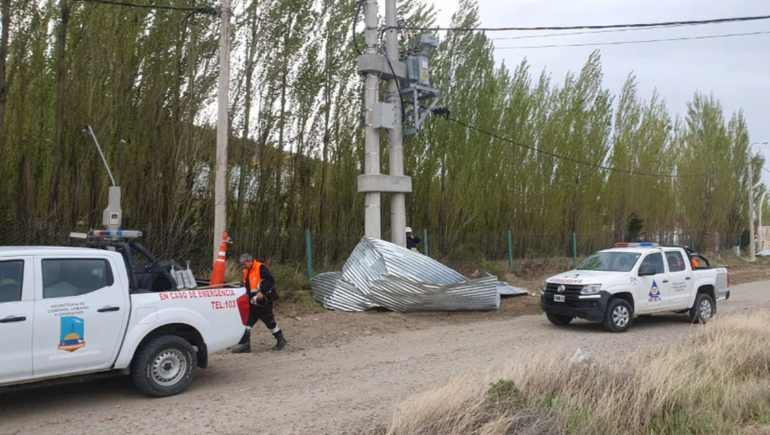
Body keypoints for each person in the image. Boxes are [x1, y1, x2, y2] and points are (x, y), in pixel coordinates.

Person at [232, 254, 288, 353]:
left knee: (269, 322)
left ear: (250, 261)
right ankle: (246, 345)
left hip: (263, 302)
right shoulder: (247, 271)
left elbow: (270, 280)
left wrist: (262, 291)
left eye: (244, 264)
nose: (243, 266)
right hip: (252, 301)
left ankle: (281, 339)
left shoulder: (260, 268)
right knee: (246, 323)